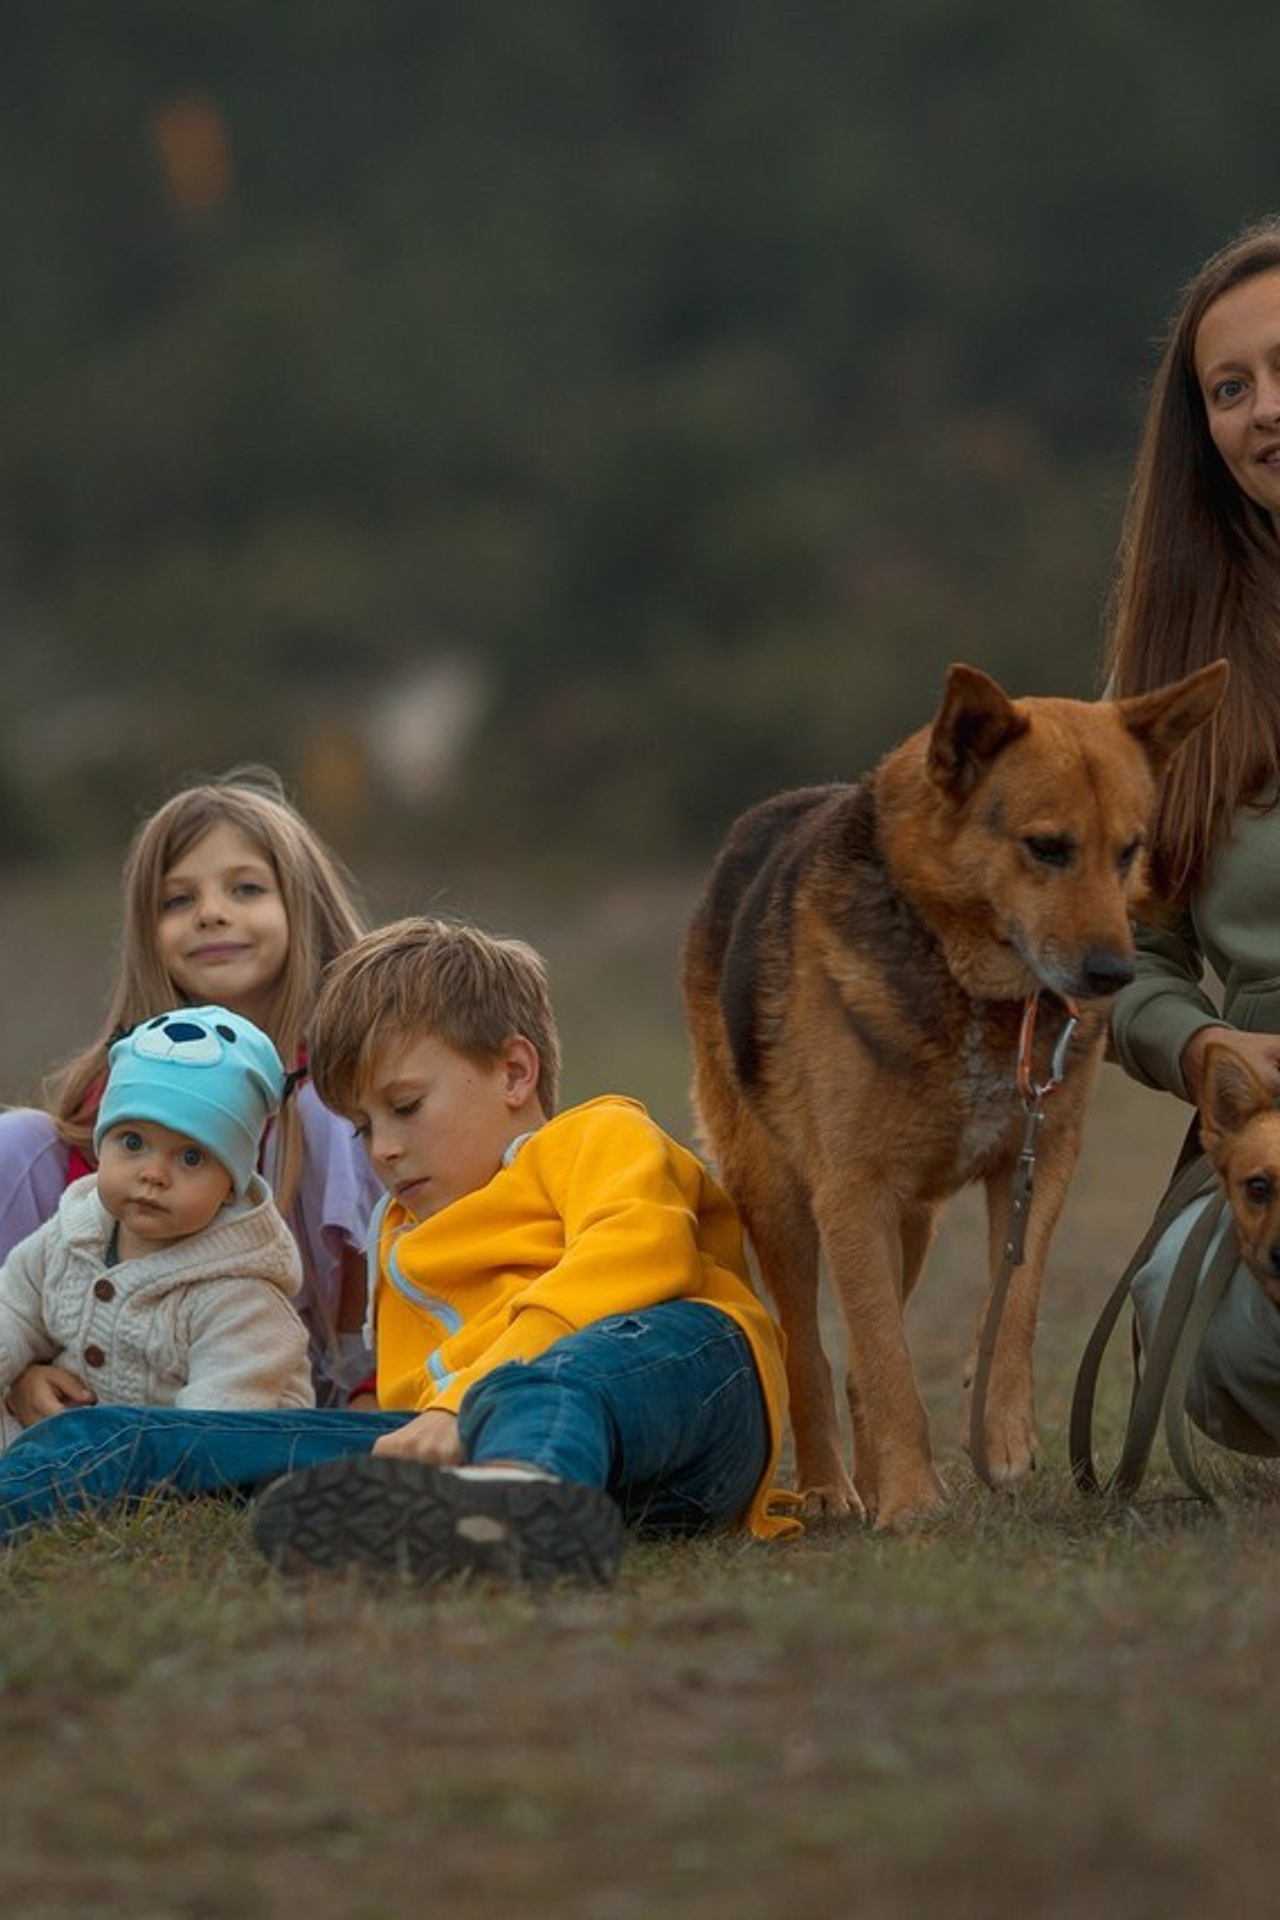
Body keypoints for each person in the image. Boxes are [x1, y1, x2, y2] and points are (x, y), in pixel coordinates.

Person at [0, 918, 798, 1584]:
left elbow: (637, 1260)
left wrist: (464, 1404)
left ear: (515, 1070)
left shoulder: (595, 1137)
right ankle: (487, 1510)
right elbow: (414, 1407)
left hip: (686, 1406)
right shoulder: (400, 1232)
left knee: (557, 1376)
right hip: (495, 1450)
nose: (381, 1150)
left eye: (405, 1107)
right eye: (361, 1126)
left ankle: (515, 1499)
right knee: (122, 1435)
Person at [0, 766, 381, 1412]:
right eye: (178, 900)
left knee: (332, 1111)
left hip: (278, 1375)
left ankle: (364, 1393)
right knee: (17, 1138)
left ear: (303, 906)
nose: (211, 913)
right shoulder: (110, 1097)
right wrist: (22, 1380)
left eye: (247, 888)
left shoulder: (352, 1090)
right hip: (112, 1367)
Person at [1105, 214, 1280, 1448]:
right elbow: (1130, 957)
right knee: (1187, 1316)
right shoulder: (1178, 668)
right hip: (1267, 1104)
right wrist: (1208, 1046)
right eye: (1230, 389)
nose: (1263, 409)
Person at [0, 1004, 313, 1450]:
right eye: (132, 1142)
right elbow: (11, 1309)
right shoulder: (71, 1234)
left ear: (230, 1185)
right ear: (101, 1145)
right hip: (81, 1440)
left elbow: (213, 1427)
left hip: (196, 1460)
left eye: (191, 1157)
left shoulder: (241, 1297)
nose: (154, 1174)